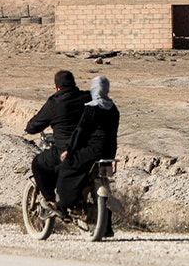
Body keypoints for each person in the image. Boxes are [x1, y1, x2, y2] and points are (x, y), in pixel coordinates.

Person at [25, 70, 90, 213]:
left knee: (38, 164)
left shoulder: (55, 102)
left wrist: (29, 128)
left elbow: (34, 125)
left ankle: (50, 201)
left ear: (56, 87)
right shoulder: (87, 97)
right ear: (74, 84)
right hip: (89, 150)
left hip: (64, 150)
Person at [55, 75, 119, 217]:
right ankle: (106, 226)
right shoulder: (113, 109)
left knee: (66, 167)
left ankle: (64, 205)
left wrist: (69, 150)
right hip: (109, 153)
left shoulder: (92, 108)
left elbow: (80, 132)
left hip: (94, 151)